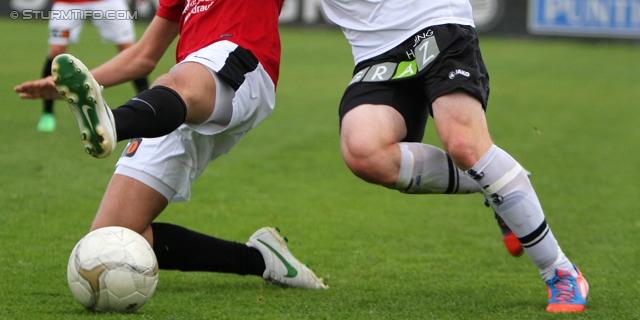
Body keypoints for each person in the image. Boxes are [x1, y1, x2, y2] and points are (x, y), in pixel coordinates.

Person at [15, 0, 327, 290]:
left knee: (174, 80)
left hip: (240, 64)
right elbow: (143, 56)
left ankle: (115, 121)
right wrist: (75, 86)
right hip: (173, 105)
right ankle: (261, 259)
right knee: (109, 239)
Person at [319, 0, 587, 312]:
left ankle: (561, 271)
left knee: (464, 145)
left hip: (433, 20)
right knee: (364, 151)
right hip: (374, 51)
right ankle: (498, 181)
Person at [37, 0, 149, 132]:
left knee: (128, 50)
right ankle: (47, 113)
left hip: (107, 2)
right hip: (68, 3)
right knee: (56, 51)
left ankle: (148, 106)